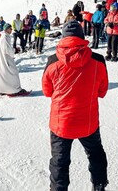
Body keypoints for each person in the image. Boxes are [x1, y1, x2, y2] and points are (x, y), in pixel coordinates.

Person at [42, 20, 109, 191]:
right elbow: (102, 91)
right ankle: (99, 185)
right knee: (95, 154)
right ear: (81, 36)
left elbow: (47, 91)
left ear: (64, 37)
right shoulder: (98, 60)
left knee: (59, 161)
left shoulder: (52, 61)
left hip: (61, 123)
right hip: (88, 121)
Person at [0, 23, 29, 96]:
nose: (11, 30)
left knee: (4, 73)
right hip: (6, 58)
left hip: (4, 58)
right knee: (13, 73)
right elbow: (7, 49)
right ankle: (16, 90)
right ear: (6, 29)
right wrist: (14, 50)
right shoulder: (5, 37)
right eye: (10, 28)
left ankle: (3, 89)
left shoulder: (5, 36)